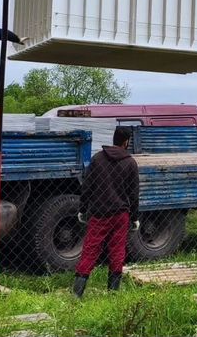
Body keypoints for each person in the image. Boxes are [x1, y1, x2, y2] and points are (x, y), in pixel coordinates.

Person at [73, 126, 140, 298]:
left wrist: (82, 209)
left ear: (114, 138)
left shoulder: (98, 159)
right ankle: (113, 293)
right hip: (120, 215)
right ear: (127, 142)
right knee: (117, 250)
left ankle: (77, 294)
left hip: (99, 213)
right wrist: (135, 217)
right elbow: (133, 193)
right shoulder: (130, 163)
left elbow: (87, 187)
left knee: (90, 250)